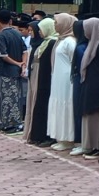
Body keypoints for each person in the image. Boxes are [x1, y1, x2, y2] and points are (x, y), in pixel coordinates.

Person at [75, 16, 99, 154]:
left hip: (98, 89)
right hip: (90, 87)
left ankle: (98, 146)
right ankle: (90, 144)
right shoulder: (93, 44)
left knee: (96, 117)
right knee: (89, 116)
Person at [24, 17, 58, 146]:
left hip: (44, 79)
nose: (38, 32)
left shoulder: (52, 43)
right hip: (37, 77)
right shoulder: (44, 42)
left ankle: (44, 136)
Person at [48, 14, 78, 152]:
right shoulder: (60, 40)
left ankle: (68, 139)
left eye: (57, 22)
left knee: (66, 105)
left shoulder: (70, 41)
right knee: (58, 104)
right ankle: (60, 137)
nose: (55, 24)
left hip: (66, 80)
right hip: (58, 78)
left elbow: (75, 61)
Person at [0, 12, 26, 132]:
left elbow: (3, 55)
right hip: (16, 71)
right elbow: (24, 50)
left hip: (6, 70)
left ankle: (10, 123)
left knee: (7, 98)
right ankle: (11, 122)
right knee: (16, 97)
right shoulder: (17, 33)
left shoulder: (1, 36)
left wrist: (16, 63)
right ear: (10, 21)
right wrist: (22, 64)